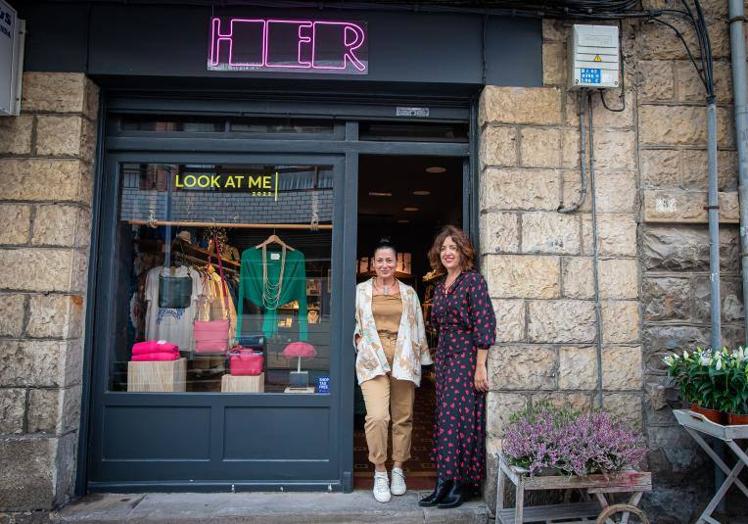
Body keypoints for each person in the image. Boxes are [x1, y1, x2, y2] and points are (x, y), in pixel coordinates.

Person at [418, 225, 496, 509]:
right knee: (444, 420)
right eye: (444, 248)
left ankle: (460, 483)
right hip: (446, 358)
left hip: (466, 358)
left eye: (453, 247)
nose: (448, 252)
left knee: (460, 422)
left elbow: (485, 324)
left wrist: (480, 367)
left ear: (464, 252)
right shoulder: (440, 286)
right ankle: (443, 482)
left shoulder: (473, 282)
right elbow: (436, 325)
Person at [353, 238, 433, 503]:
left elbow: (418, 324)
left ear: (395, 263)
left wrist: (422, 359)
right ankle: (379, 471)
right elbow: (353, 322)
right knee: (376, 417)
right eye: (380, 260)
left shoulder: (408, 292)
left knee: (403, 417)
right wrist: (359, 341)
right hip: (372, 360)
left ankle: (398, 468)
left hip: (403, 359)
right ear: (373, 264)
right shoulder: (361, 291)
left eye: (389, 260)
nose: (385, 265)